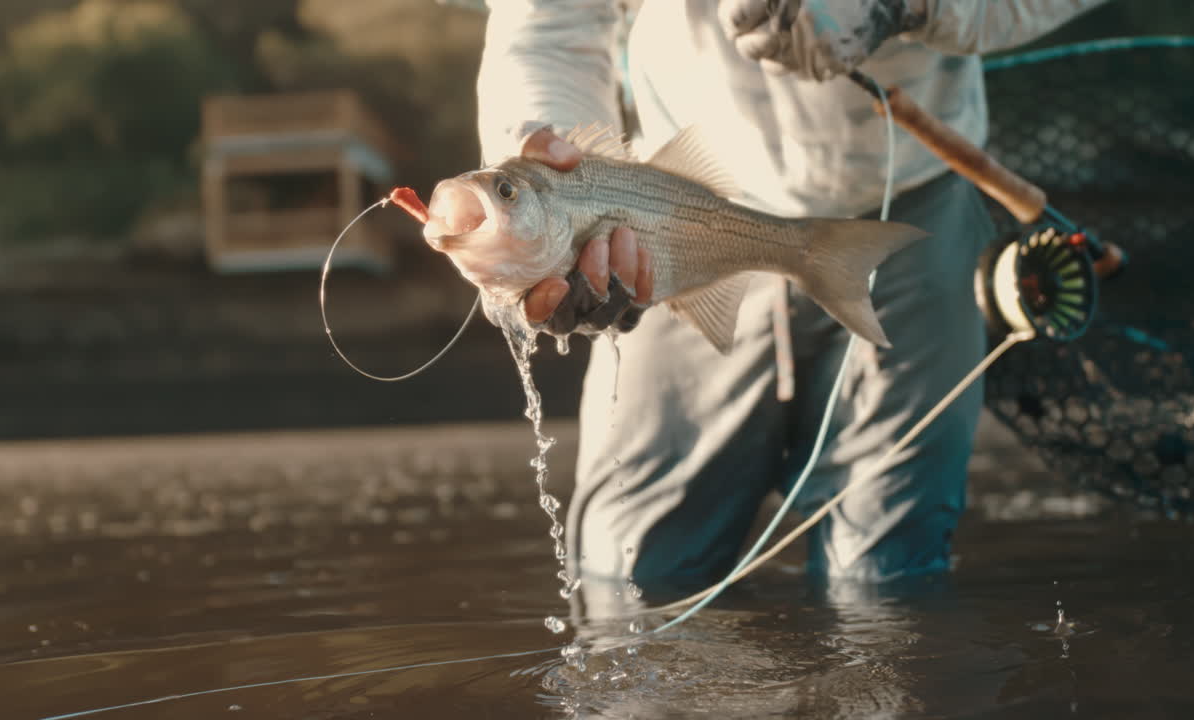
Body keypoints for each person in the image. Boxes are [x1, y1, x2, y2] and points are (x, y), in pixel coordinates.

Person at [474, 0, 1108, 597]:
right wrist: (543, 158)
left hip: (913, 207)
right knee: (630, 575)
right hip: (666, 218)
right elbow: (548, 23)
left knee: (890, 581)